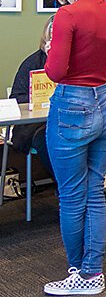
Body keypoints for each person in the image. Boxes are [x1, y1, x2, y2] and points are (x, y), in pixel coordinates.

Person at [42, 0, 106, 296]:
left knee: (71, 196)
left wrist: (51, 51)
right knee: (94, 192)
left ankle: (79, 272)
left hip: (73, 105)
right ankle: (93, 273)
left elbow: (56, 72)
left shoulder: (66, 15)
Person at [9, 16, 56, 179]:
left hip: (64, 119)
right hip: (35, 124)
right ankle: (64, 185)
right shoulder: (33, 62)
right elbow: (16, 97)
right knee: (46, 139)